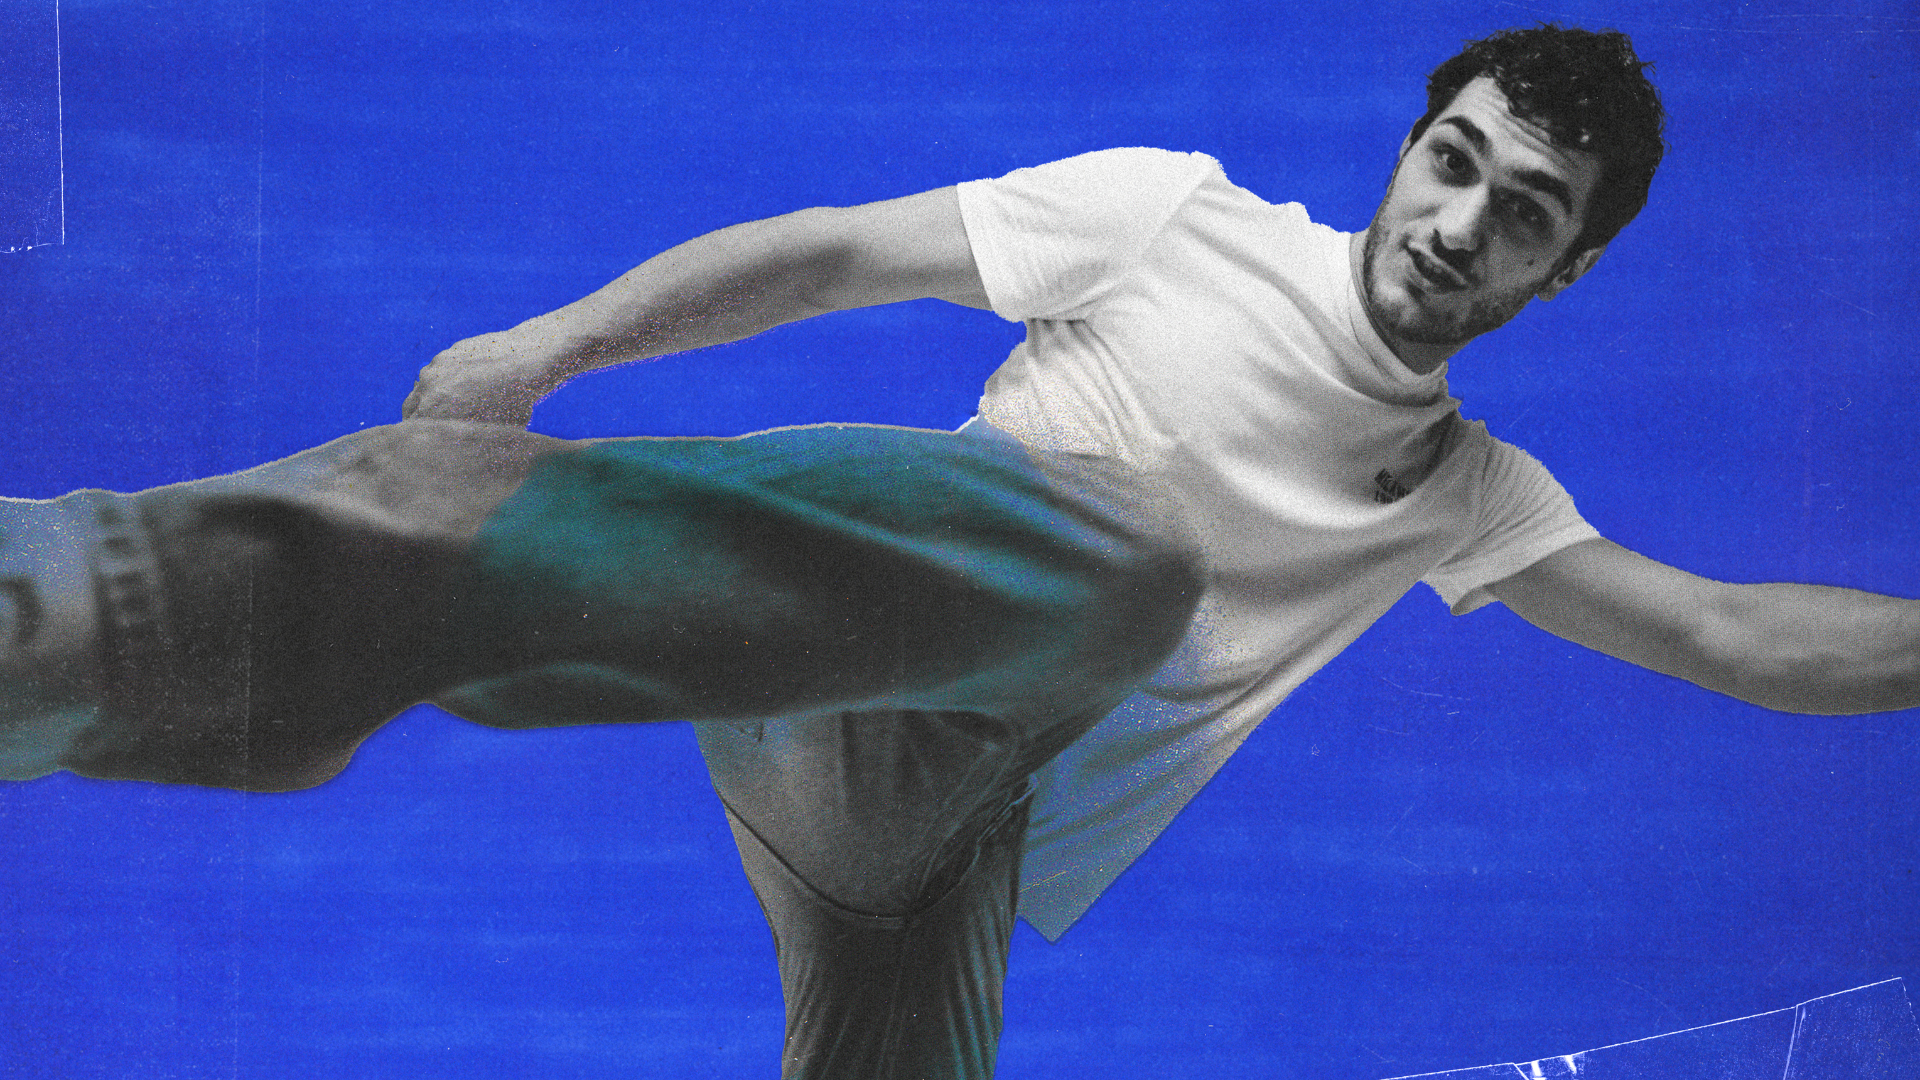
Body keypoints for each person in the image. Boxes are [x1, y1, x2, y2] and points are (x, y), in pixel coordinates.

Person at [1, 23, 1913, 1080]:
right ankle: (92, 608)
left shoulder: (1468, 489)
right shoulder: (1175, 218)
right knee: (1125, 564)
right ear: (1413, 146)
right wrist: (549, 347)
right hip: (855, 614)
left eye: (1526, 214)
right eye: (1457, 160)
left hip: (916, 856)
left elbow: (1731, 632)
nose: (1460, 223)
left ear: (1566, 269)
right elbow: (842, 253)